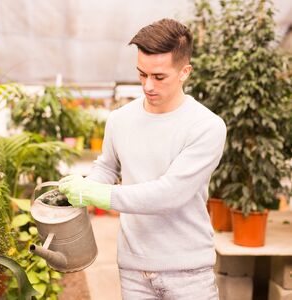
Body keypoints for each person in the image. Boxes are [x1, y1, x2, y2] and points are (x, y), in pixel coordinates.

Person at [59, 18, 226, 300]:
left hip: (188, 274)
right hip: (134, 271)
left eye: (159, 77)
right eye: (141, 74)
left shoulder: (206, 126)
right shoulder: (120, 119)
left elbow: (169, 195)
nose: (148, 85)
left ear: (185, 71)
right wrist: (82, 192)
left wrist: (95, 193)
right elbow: (107, 167)